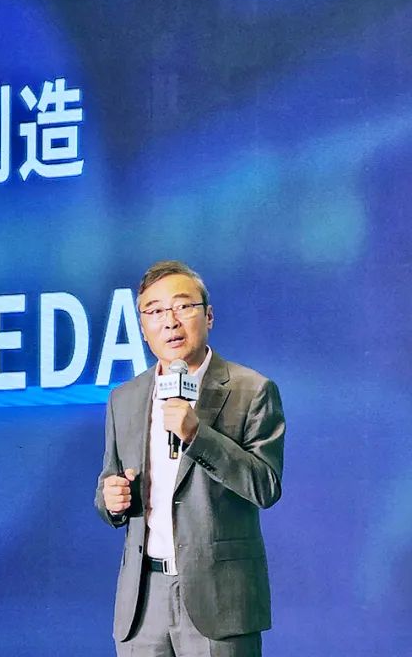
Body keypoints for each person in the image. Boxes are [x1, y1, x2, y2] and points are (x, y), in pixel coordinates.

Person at [95, 260, 285, 657]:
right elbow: (111, 483)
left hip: (219, 600)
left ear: (208, 316)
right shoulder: (124, 399)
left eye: (183, 306)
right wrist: (110, 501)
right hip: (143, 600)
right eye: (155, 311)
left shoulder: (252, 390)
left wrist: (197, 435)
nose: (170, 321)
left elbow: (265, 486)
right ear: (143, 328)